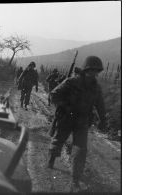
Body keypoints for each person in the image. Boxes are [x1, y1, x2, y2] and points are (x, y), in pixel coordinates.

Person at [47, 56, 106, 191]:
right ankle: (51, 159)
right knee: (58, 141)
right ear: (86, 70)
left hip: (82, 121)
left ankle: (75, 180)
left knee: (80, 151)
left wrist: (103, 120)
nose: (94, 73)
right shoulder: (71, 82)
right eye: (91, 70)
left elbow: (100, 105)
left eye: (96, 71)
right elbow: (54, 94)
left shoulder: (96, 88)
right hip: (67, 118)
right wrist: (65, 106)